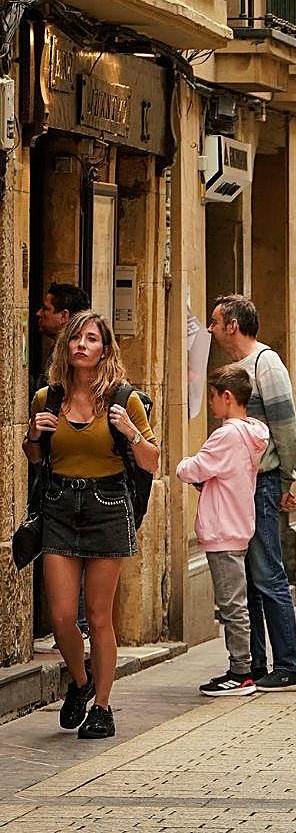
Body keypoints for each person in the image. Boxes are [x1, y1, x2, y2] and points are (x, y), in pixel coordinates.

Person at [26, 311, 160, 739]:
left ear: (105, 349)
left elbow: (152, 462)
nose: (82, 345)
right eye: (76, 339)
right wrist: (32, 435)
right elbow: (35, 459)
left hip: (106, 505)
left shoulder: (125, 399)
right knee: (64, 617)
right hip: (60, 505)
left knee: (100, 617)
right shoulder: (48, 398)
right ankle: (80, 683)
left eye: (92, 339)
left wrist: (132, 433)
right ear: (66, 347)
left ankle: (103, 706)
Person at [209, 295, 296, 692]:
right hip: (239, 486)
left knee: (267, 574)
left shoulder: (267, 364)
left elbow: (285, 427)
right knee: (248, 576)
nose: (211, 329)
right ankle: (253, 665)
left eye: (215, 322)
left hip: (262, 484)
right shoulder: (234, 369)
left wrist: (286, 480)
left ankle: (289, 665)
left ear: (232, 324)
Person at [176, 366, 269, 697]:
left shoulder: (227, 435)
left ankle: (241, 672)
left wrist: (181, 465)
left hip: (223, 529)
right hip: (238, 524)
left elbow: (196, 468)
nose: (211, 403)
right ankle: (243, 667)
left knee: (232, 604)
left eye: (213, 396)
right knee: (237, 602)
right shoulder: (252, 433)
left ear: (227, 397)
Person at [31, 282, 92, 654]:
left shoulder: (106, 392)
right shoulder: (51, 379)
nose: (39, 313)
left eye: (47, 308)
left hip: (89, 491)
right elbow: (32, 447)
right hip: (55, 483)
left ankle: (81, 629)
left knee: (83, 554)